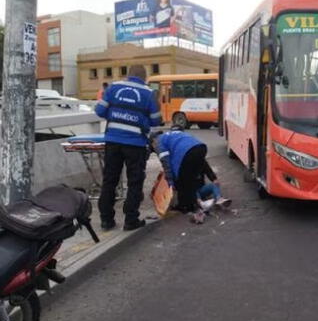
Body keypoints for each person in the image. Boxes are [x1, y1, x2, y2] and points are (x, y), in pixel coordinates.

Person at [95, 65, 162, 231]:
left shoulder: (114, 87)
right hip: (136, 144)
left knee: (109, 180)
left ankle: (106, 220)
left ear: (128, 75)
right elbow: (156, 120)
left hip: (113, 141)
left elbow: (99, 110)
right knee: (135, 182)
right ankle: (130, 220)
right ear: (144, 77)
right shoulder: (149, 93)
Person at [156, 125, 224, 218]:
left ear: (153, 141)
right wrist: (213, 178)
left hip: (188, 156)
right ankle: (195, 204)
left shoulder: (160, 142)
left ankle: (188, 206)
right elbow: (204, 164)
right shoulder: (180, 137)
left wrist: (171, 186)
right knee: (189, 180)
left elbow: (167, 166)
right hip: (201, 147)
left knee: (183, 181)